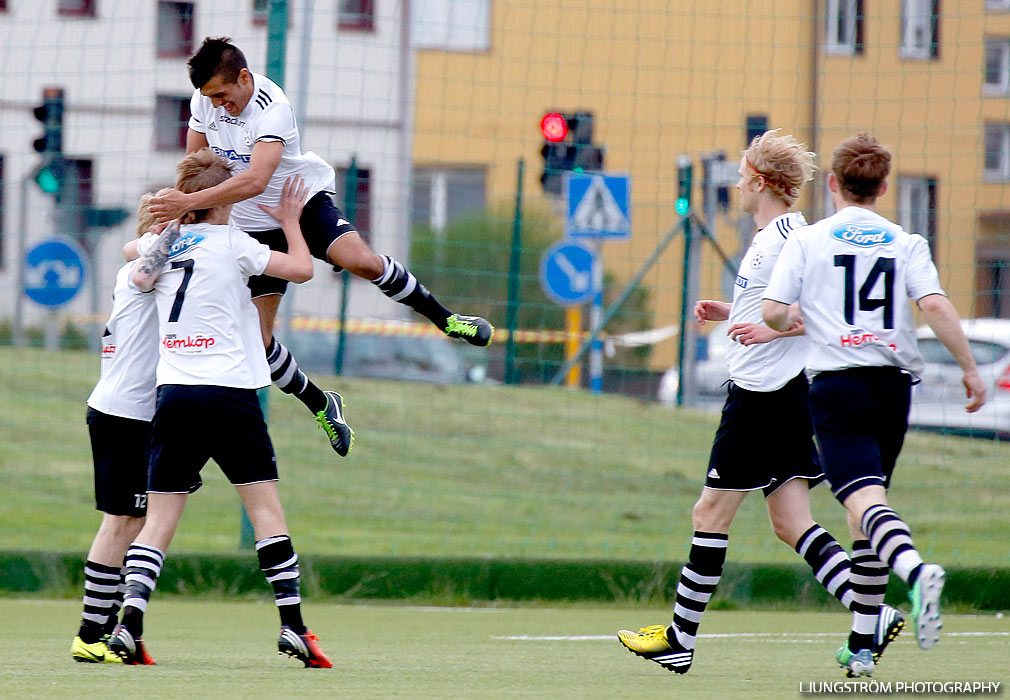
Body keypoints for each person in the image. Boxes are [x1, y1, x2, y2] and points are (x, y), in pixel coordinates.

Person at [616, 130, 902, 675]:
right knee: (791, 521)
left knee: (709, 512)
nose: (736, 184)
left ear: (761, 182)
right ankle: (874, 611)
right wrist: (731, 311)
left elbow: (815, 315)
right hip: (787, 394)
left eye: (743, 174)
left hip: (761, 398)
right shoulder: (780, 235)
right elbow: (774, 306)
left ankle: (679, 638)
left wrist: (770, 334)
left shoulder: (784, 241)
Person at [148, 37, 494, 457]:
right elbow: (197, 166)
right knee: (257, 342)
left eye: (223, 95)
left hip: (298, 202)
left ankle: (447, 319)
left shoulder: (272, 109)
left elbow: (256, 181)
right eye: (210, 98)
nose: (219, 106)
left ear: (243, 77)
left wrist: (186, 203)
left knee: (360, 261)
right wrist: (179, 212)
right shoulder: (206, 102)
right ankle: (322, 404)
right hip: (248, 226)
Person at [762, 133, 987, 677]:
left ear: (833, 183)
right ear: (883, 187)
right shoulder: (904, 240)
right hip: (893, 386)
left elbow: (771, 312)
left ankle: (914, 570)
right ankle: (862, 643)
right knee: (864, 509)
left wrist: (794, 317)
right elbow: (932, 303)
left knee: (863, 503)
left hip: (838, 386)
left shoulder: (810, 240)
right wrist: (970, 367)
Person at [108, 150, 331, 669]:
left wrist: (170, 225)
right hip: (230, 391)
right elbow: (301, 270)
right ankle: (293, 626)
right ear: (223, 199)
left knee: (159, 520)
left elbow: (134, 262)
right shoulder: (234, 243)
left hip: (176, 394)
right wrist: (292, 223)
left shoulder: (161, 247)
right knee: (264, 511)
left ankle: (129, 624)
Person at [70, 191, 167, 663]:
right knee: (122, 521)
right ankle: (90, 634)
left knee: (138, 521)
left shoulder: (156, 271)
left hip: (126, 412)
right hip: (124, 414)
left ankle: (112, 630)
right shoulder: (144, 271)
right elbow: (147, 262)